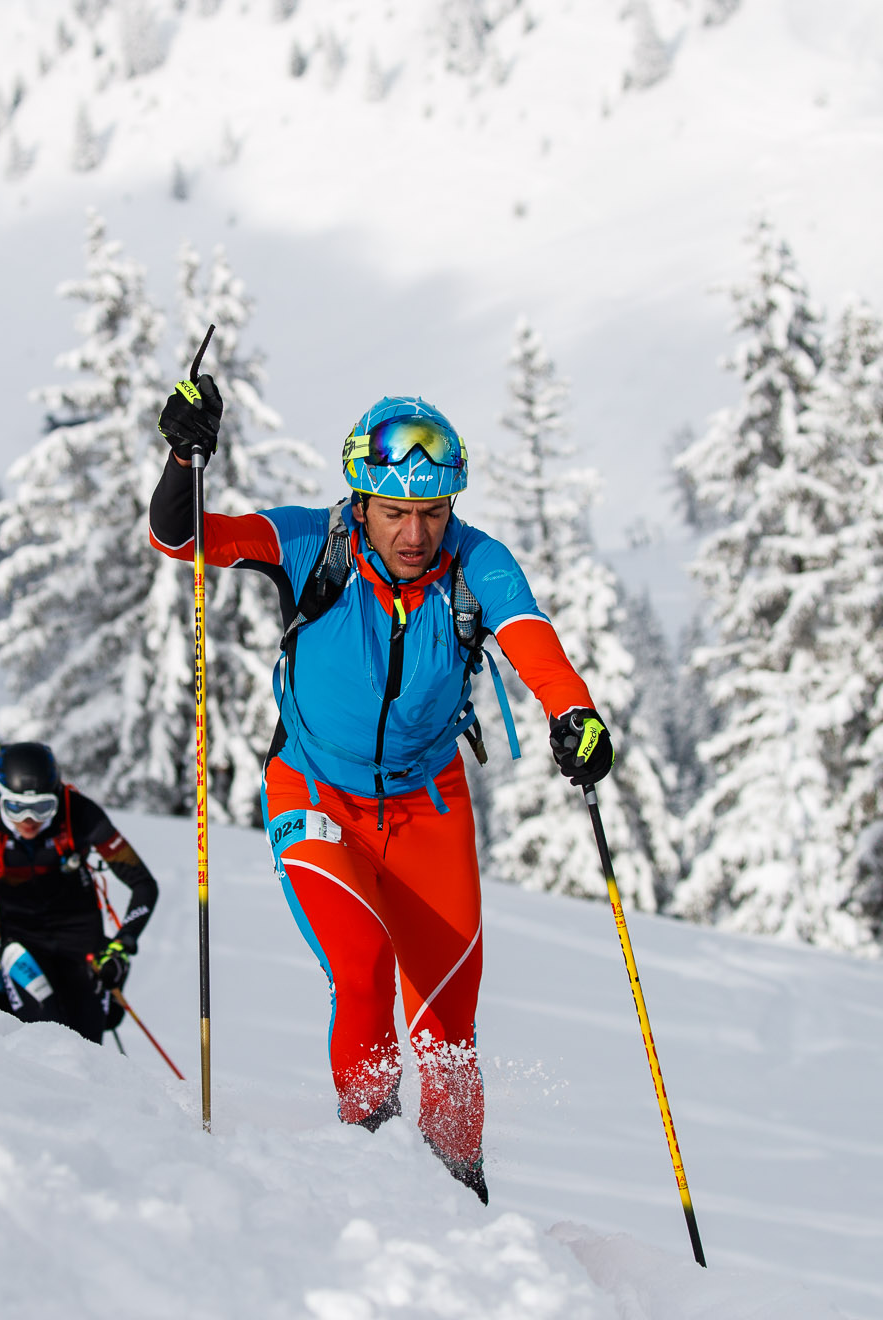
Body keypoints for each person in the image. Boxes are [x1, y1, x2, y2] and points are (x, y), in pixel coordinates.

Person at [148, 381, 615, 1204]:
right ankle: (369, 1166)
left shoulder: (476, 563)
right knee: (360, 967)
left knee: (448, 1025)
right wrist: (182, 458)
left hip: (427, 808)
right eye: (396, 511)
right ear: (361, 499)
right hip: (314, 793)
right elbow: (181, 539)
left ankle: (458, 1191)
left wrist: (574, 713)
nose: (415, 531)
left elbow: (530, 635)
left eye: (433, 510)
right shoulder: (308, 545)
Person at [0, 742, 159, 1043]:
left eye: (43, 807)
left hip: (79, 936)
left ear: (58, 795)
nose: (29, 820)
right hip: (20, 937)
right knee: (45, 1032)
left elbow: (143, 884)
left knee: (88, 1042)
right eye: (16, 808)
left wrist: (122, 945)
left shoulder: (80, 814)